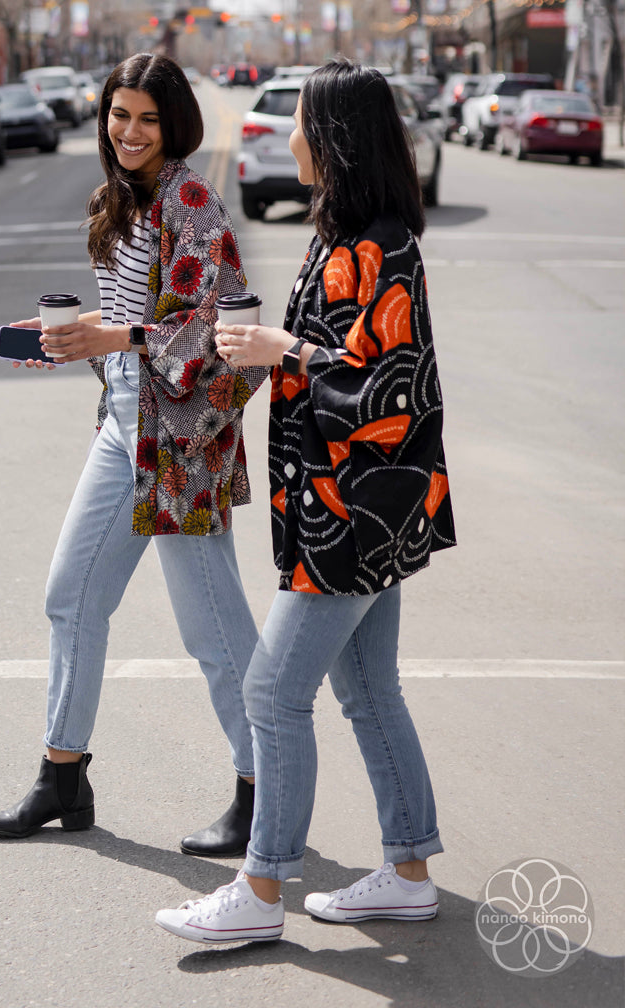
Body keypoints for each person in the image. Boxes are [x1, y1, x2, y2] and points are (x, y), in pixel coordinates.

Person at [156, 59, 456, 944]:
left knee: (271, 693)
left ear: (332, 138)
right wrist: (266, 349)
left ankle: (260, 890)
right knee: (368, 691)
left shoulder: (383, 246)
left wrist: (284, 348)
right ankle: (407, 869)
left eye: (298, 121)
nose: (285, 135)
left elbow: (387, 392)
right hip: (343, 506)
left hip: (353, 513)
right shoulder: (349, 234)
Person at [0, 53, 269, 855]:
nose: (130, 132)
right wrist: (68, 339)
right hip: (122, 424)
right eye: (119, 115)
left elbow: (219, 328)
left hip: (180, 442)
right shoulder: (120, 200)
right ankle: (62, 776)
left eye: (147, 118)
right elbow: (119, 320)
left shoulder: (191, 200)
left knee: (212, 629)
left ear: (173, 125)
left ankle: (260, 788)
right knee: (70, 596)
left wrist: (115, 338)